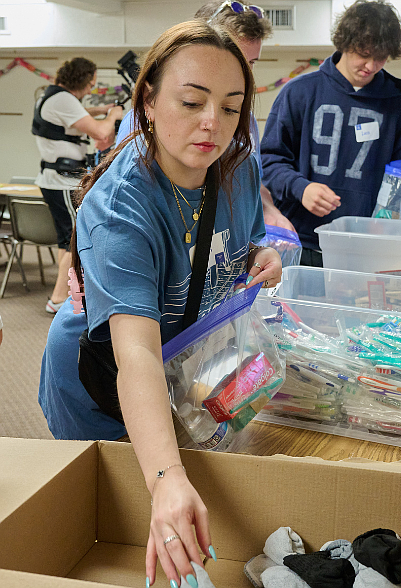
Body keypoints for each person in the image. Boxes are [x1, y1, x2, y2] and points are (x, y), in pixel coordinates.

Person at [37, 21, 282, 587]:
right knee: (119, 530)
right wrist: (166, 477)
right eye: (192, 101)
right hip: (103, 375)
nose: (211, 124)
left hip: (185, 369)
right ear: (146, 100)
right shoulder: (121, 205)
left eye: (231, 106)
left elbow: (241, 243)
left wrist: (260, 256)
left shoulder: (240, 165)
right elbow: (136, 357)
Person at [260, 0, 401, 267]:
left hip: (362, 249)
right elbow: (269, 161)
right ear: (345, 43)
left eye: (380, 58)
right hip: (300, 242)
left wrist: (390, 220)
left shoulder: (398, 109)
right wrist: (302, 188)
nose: (370, 66)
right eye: (363, 53)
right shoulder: (299, 93)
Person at [114, 0, 295, 232]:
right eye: (191, 104)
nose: (243, 74)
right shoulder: (146, 119)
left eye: (250, 63)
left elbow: (248, 182)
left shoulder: (244, 119)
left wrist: (267, 216)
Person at [33, 57, 123, 314]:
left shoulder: (51, 95)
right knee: (74, 238)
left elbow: (77, 114)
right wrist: (113, 114)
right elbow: (102, 134)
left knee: (66, 239)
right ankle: (59, 298)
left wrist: (101, 108)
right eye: (92, 81)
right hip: (62, 181)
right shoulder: (63, 100)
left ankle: (60, 295)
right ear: (85, 79)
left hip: (54, 179)